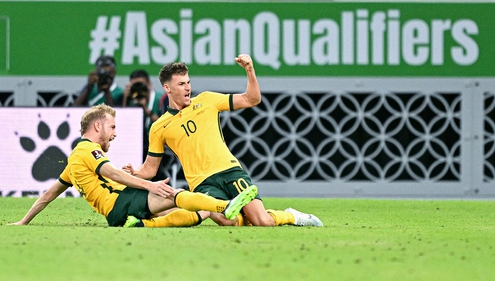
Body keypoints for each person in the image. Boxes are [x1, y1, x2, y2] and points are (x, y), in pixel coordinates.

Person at [122, 54, 323, 227]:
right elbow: (151, 169)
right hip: (201, 182)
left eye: (188, 82)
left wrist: (250, 70)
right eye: (181, 84)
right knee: (226, 220)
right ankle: (246, 215)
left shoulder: (207, 100)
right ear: (167, 88)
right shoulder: (159, 126)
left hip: (229, 171)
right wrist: (135, 173)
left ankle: (292, 216)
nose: (187, 88)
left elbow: (251, 99)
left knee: (263, 222)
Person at [8, 104, 257, 228]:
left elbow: (49, 194)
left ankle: (218, 212)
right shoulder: (87, 149)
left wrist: (24, 221)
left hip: (119, 207)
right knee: (174, 194)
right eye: (112, 127)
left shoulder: (74, 160)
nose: (114, 134)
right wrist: (150, 185)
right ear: (97, 127)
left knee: (170, 211)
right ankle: (225, 206)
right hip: (121, 203)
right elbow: (110, 172)